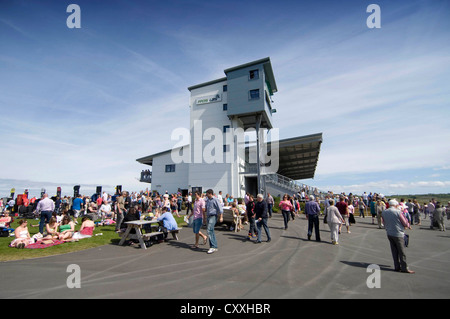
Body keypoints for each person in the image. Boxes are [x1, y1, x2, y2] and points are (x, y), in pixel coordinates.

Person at [381, 199, 414, 274]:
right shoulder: (398, 212)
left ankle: (397, 266)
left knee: (394, 250)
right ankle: (404, 267)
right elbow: (405, 223)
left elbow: (384, 222)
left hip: (389, 232)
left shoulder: (384, 212)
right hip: (398, 233)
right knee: (402, 251)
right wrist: (408, 225)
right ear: (396, 205)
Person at [205, 189, 223, 254]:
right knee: (211, 231)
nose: (206, 195)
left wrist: (221, 217)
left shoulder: (215, 200)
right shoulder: (208, 200)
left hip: (213, 216)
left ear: (210, 194)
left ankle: (212, 247)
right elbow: (206, 208)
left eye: (207, 194)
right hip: (208, 216)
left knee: (209, 230)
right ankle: (214, 246)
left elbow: (220, 208)